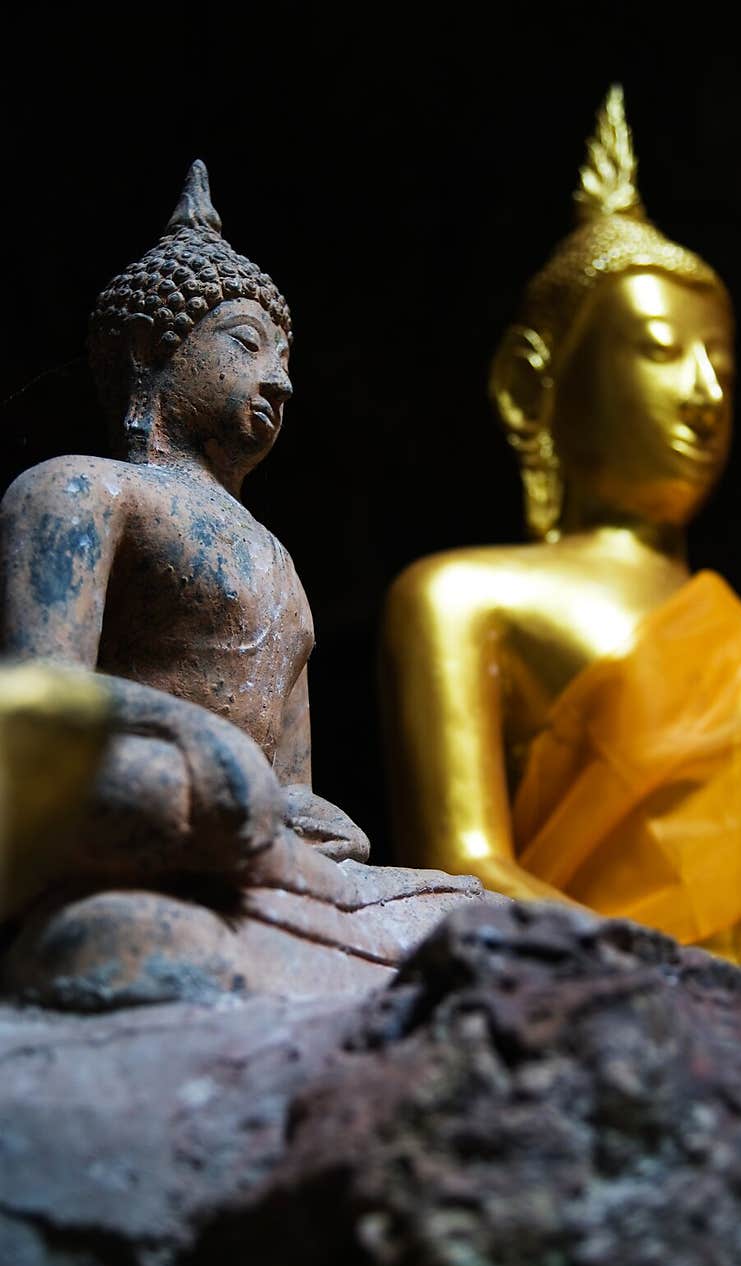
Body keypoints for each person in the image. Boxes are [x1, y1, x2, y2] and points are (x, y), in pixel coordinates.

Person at [382, 88, 741, 1021]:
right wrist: (681, 987)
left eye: (723, 367)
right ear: (532, 385)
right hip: (610, 1004)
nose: (703, 394)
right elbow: (463, 868)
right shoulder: (460, 596)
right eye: (659, 350)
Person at [0, 161, 483, 1010]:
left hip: (251, 836)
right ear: (156, 349)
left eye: (285, 357)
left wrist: (310, 815)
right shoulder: (80, 490)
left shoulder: (281, 565)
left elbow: (289, 782)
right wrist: (196, 737)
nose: (281, 380)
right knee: (161, 793)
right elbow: (36, 703)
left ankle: (295, 920)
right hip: (150, 794)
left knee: (463, 904)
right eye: (245, 344)